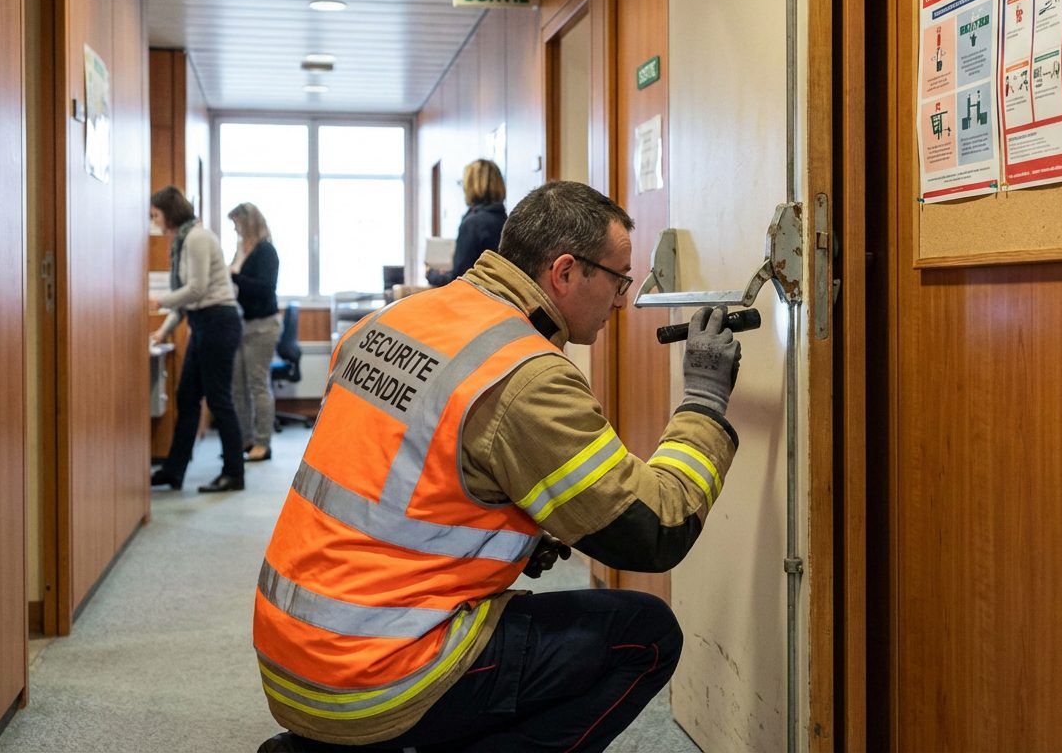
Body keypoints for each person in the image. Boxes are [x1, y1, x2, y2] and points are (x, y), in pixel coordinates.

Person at [255, 180, 743, 752]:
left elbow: (397, 478)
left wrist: (510, 535)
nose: (621, 300)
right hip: (376, 675)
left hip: (291, 650)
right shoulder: (524, 374)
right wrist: (704, 400)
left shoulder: (396, 319)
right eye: (618, 280)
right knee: (645, 636)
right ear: (565, 272)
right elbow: (654, 530)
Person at [149, 186, 245, 493]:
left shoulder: (196, 238)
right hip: (203, 322)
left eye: (156, 215)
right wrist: (163, 330)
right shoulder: (182, 241)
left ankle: (234, 472)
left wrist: (158, 301)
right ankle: (173, 470)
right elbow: (187, 302)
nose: (154, 222)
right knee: (187, 397)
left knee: (218, 399)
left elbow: (196, 289)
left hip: (218, 321)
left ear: (169, 213)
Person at [227, 202, 281, 463]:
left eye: (237, 223)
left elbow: (264, 288)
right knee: (238, 386)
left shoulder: (266, 251)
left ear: (248, 223)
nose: (235, 229)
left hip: (262, 326)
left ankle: (262, 443)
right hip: (243, 324)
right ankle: (245, 440)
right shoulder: (241, 251)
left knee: (258, 385)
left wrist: (234, 276)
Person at [425, 158, 507, 286]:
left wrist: (431, 274)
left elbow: (459, 279)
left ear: (470, 185)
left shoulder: (473, 224)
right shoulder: (507, 221)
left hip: (475, 296)